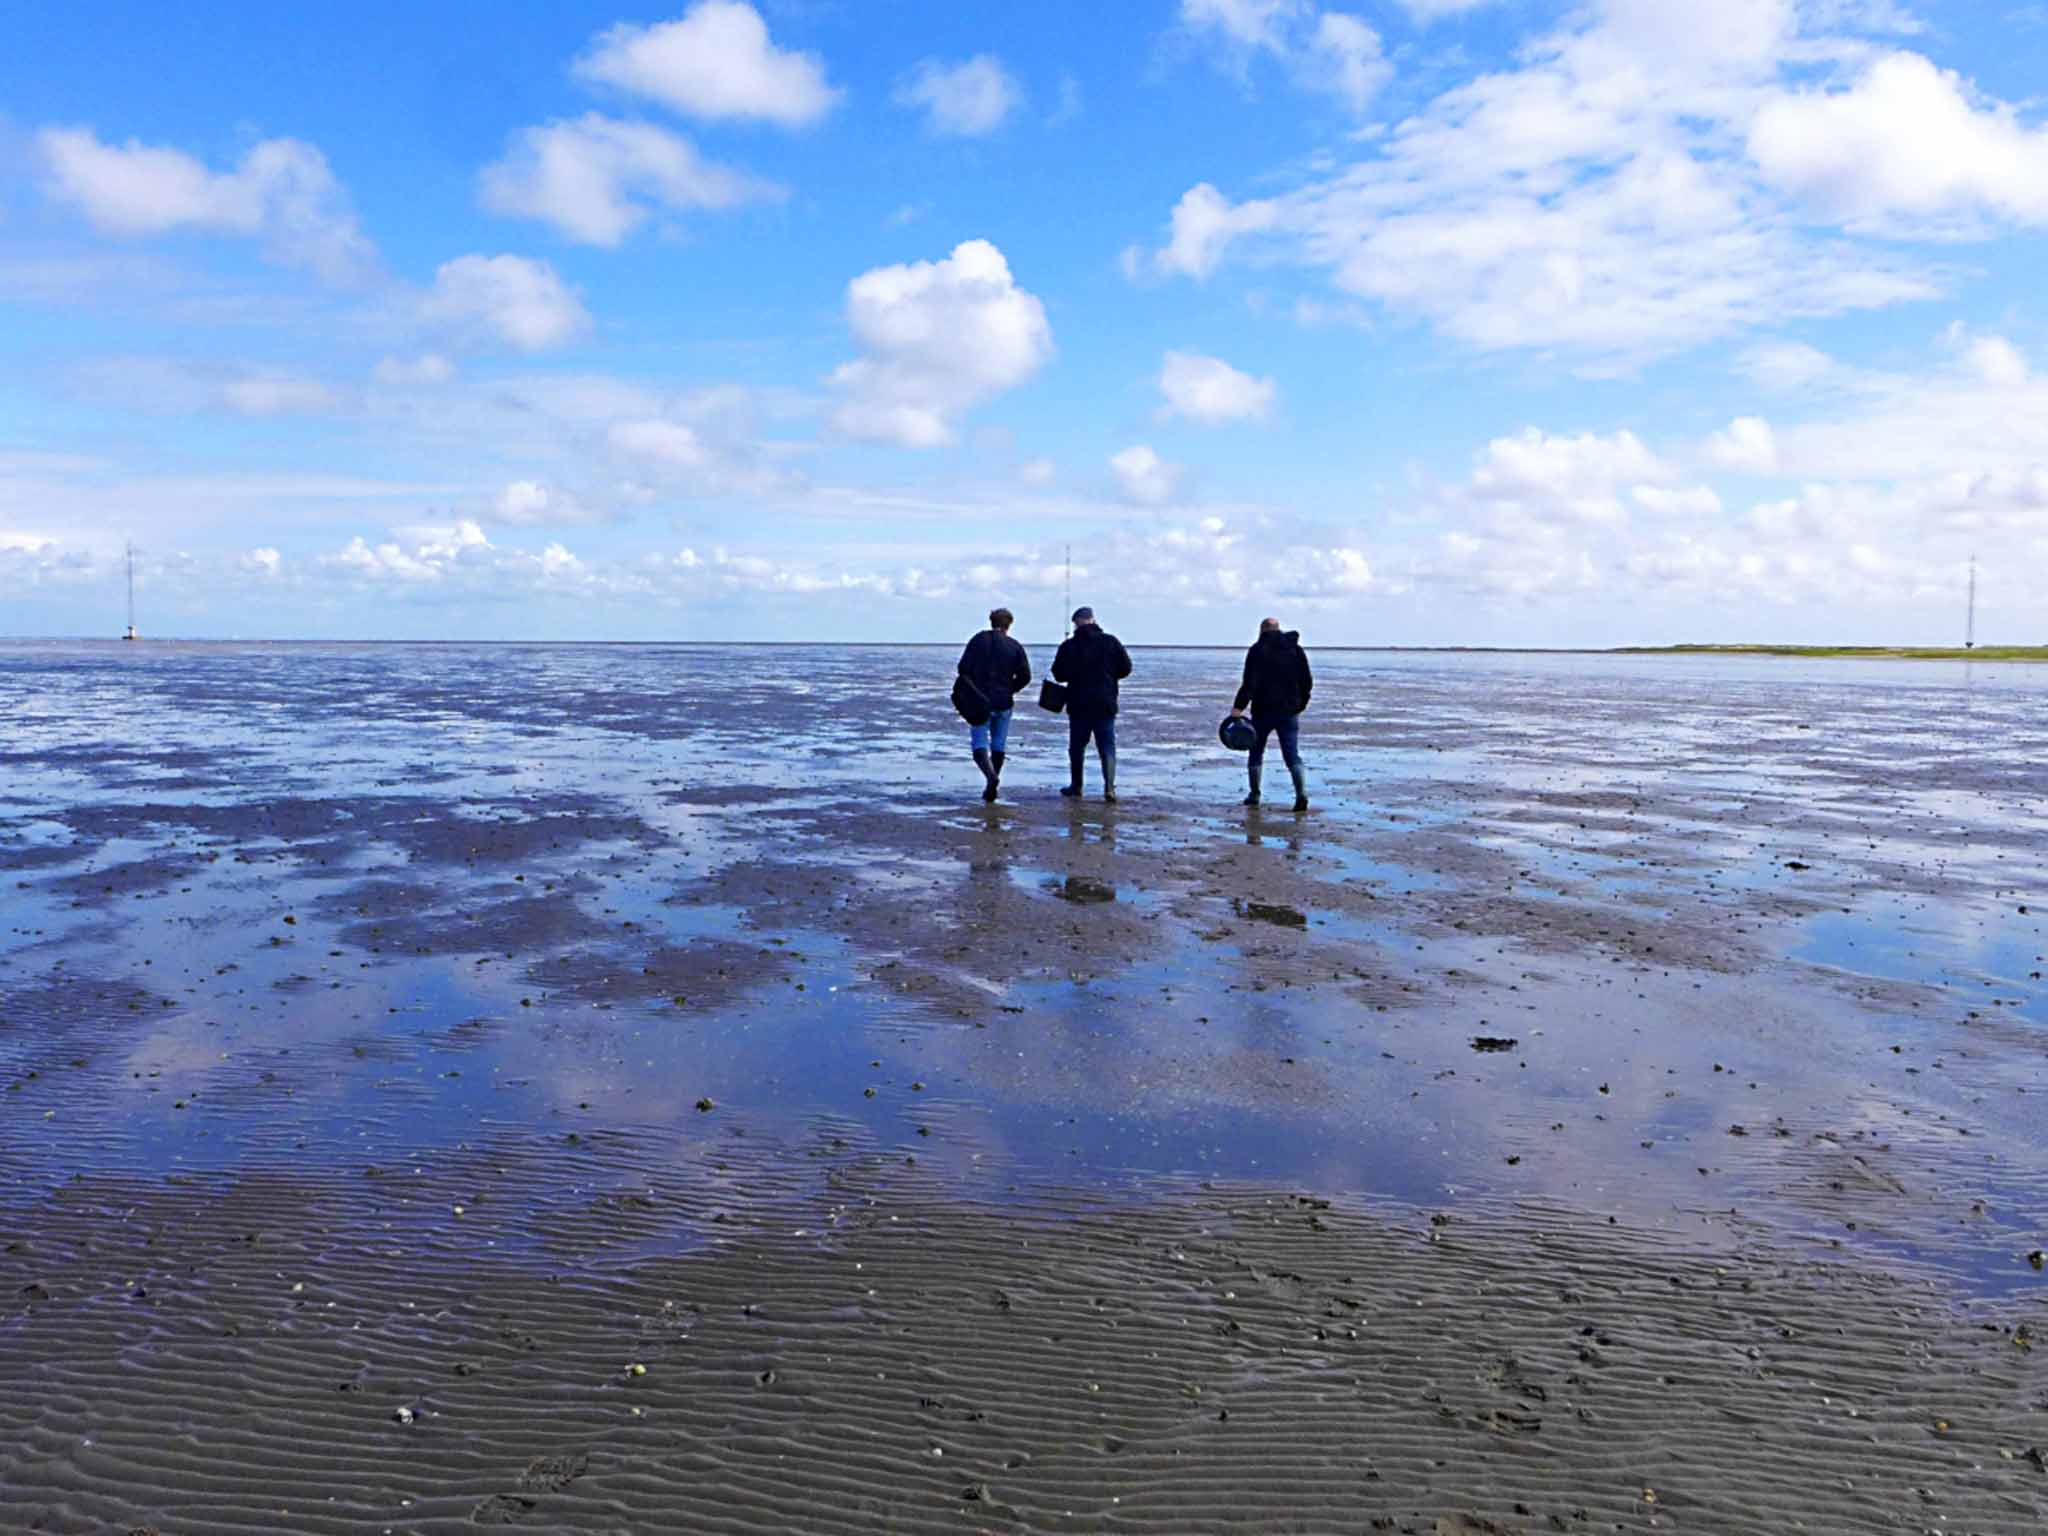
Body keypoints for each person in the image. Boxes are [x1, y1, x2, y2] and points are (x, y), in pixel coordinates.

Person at [1051, 606, 1132, 802]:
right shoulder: (1111, 642)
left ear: (1077, 622)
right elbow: (1126, 668)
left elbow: (1058, 674)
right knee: (1107, 747)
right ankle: (1109, 788)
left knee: (1077, 747)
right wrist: (1109, 676)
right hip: (1105, 702)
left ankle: (1076, 787)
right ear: (1093, 620)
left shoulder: (1069, 646)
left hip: (1079, 703)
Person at [1231, 617, 1312, 812]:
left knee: (1256, 752)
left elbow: (1250, 683)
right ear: (1278, 629)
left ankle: (1254, 794)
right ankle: (1301, 794)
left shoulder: (1257, 650)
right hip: (1289, 711)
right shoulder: (1296, 650)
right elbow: (1307, 681)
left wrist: (1238, 708)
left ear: (1262, 630)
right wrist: (1301, 704)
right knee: (1292, 754)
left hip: (1263, 710)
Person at [957, 607, 1032, 802]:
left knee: (979, 743)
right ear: (1009, 625)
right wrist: (1010, 689)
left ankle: (991, 778)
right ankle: (993, 782)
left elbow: (962, 669)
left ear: (992, 622)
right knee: (998, 743)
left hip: (979, 700)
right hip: (1003, 700)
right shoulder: (1014, 646)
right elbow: (1025, 676)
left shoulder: (977, 641)